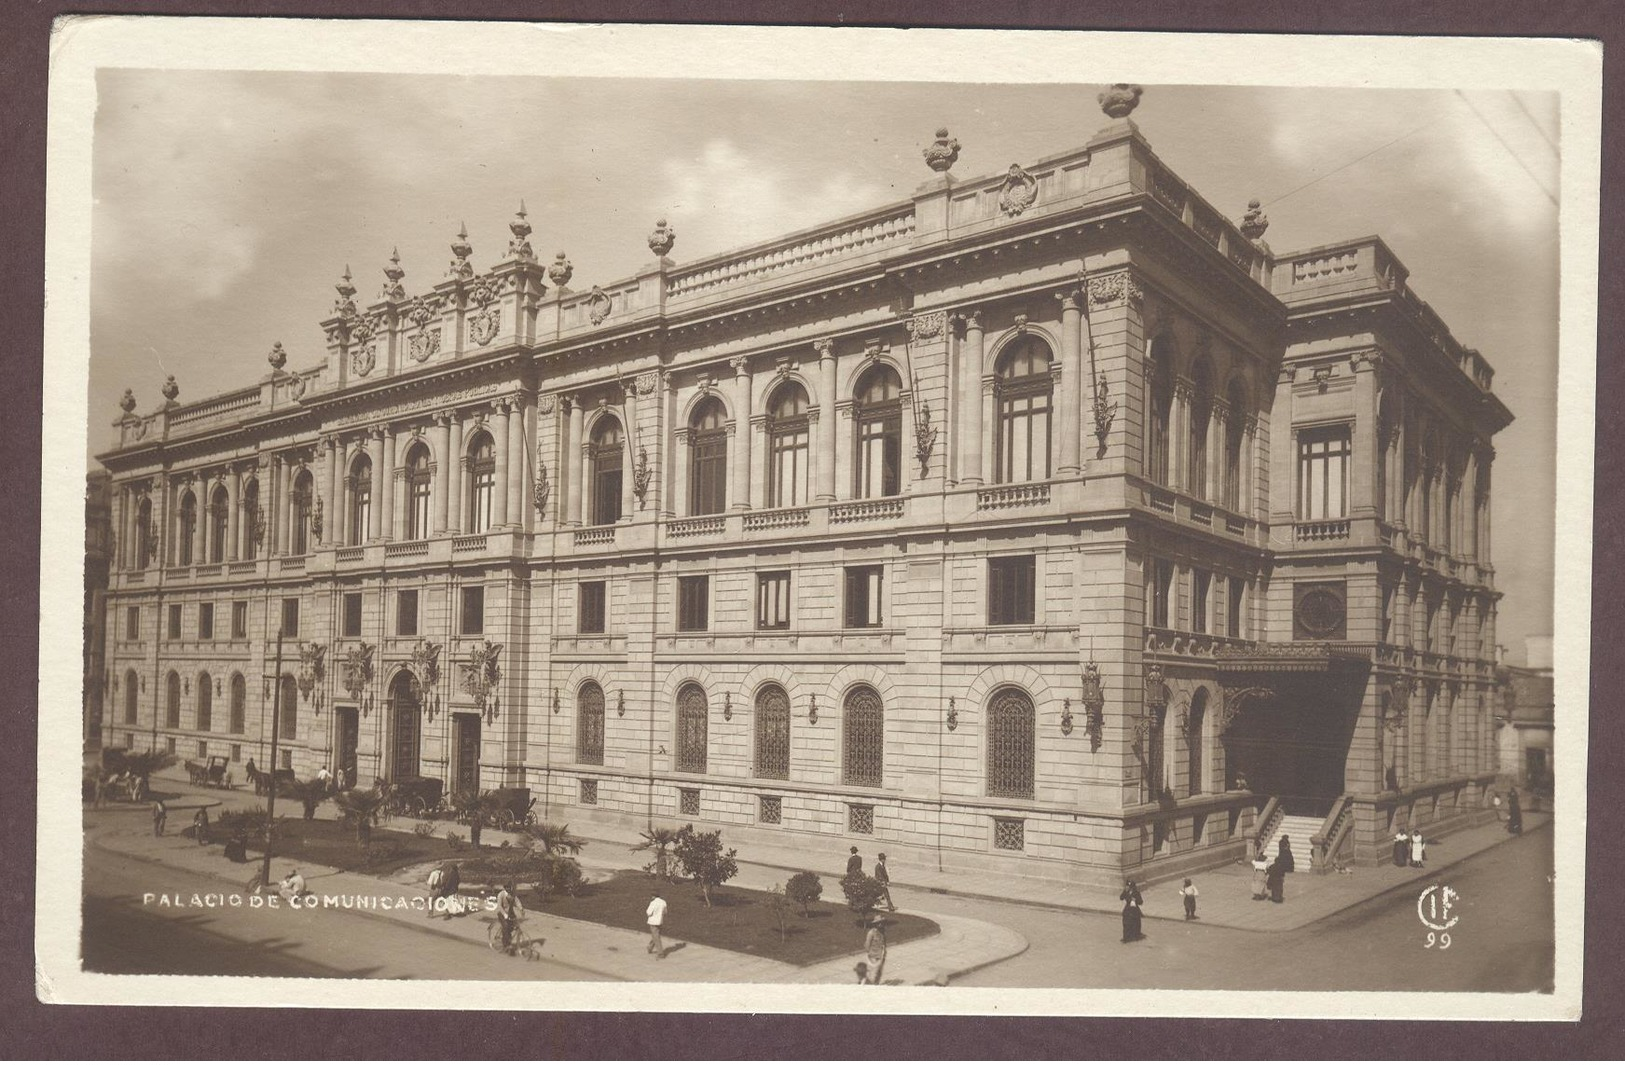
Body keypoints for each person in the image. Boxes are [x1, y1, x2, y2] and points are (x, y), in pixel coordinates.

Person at [495, 881, 523, 955]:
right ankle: (508, 945)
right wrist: (504, 914)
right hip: (501, 913)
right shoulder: (501, 895)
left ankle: (507, 939)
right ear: (504, 888)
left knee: (514, 926)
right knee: (506, 926)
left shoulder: (512, 894)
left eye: (509, 887)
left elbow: (517, 902)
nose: (508, 889)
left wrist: (521, 909)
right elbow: (499, 906)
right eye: (506, 887)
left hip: (510, 913)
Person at [863, 915, 888, 984]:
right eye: (879, 923)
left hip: (881, 956)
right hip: (873, 957)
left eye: (882, 922)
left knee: (879, 974)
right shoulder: (871, 933)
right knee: (872, 975)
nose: (880, 924)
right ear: (875, 924)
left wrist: (884, 952)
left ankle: (876, 986)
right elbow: (867, 945)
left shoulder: (882, 932)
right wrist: (870, 955)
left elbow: (884, 943)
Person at [646, 891, 668, 958]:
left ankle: (660, 953)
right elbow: (665, 912)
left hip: (653, 922)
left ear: (653, 896)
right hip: (660, 921)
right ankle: (650, 947)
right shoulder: (663, 902)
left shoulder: (653, 903)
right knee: (656, 935)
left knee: (656, 937)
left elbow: (649, 912)